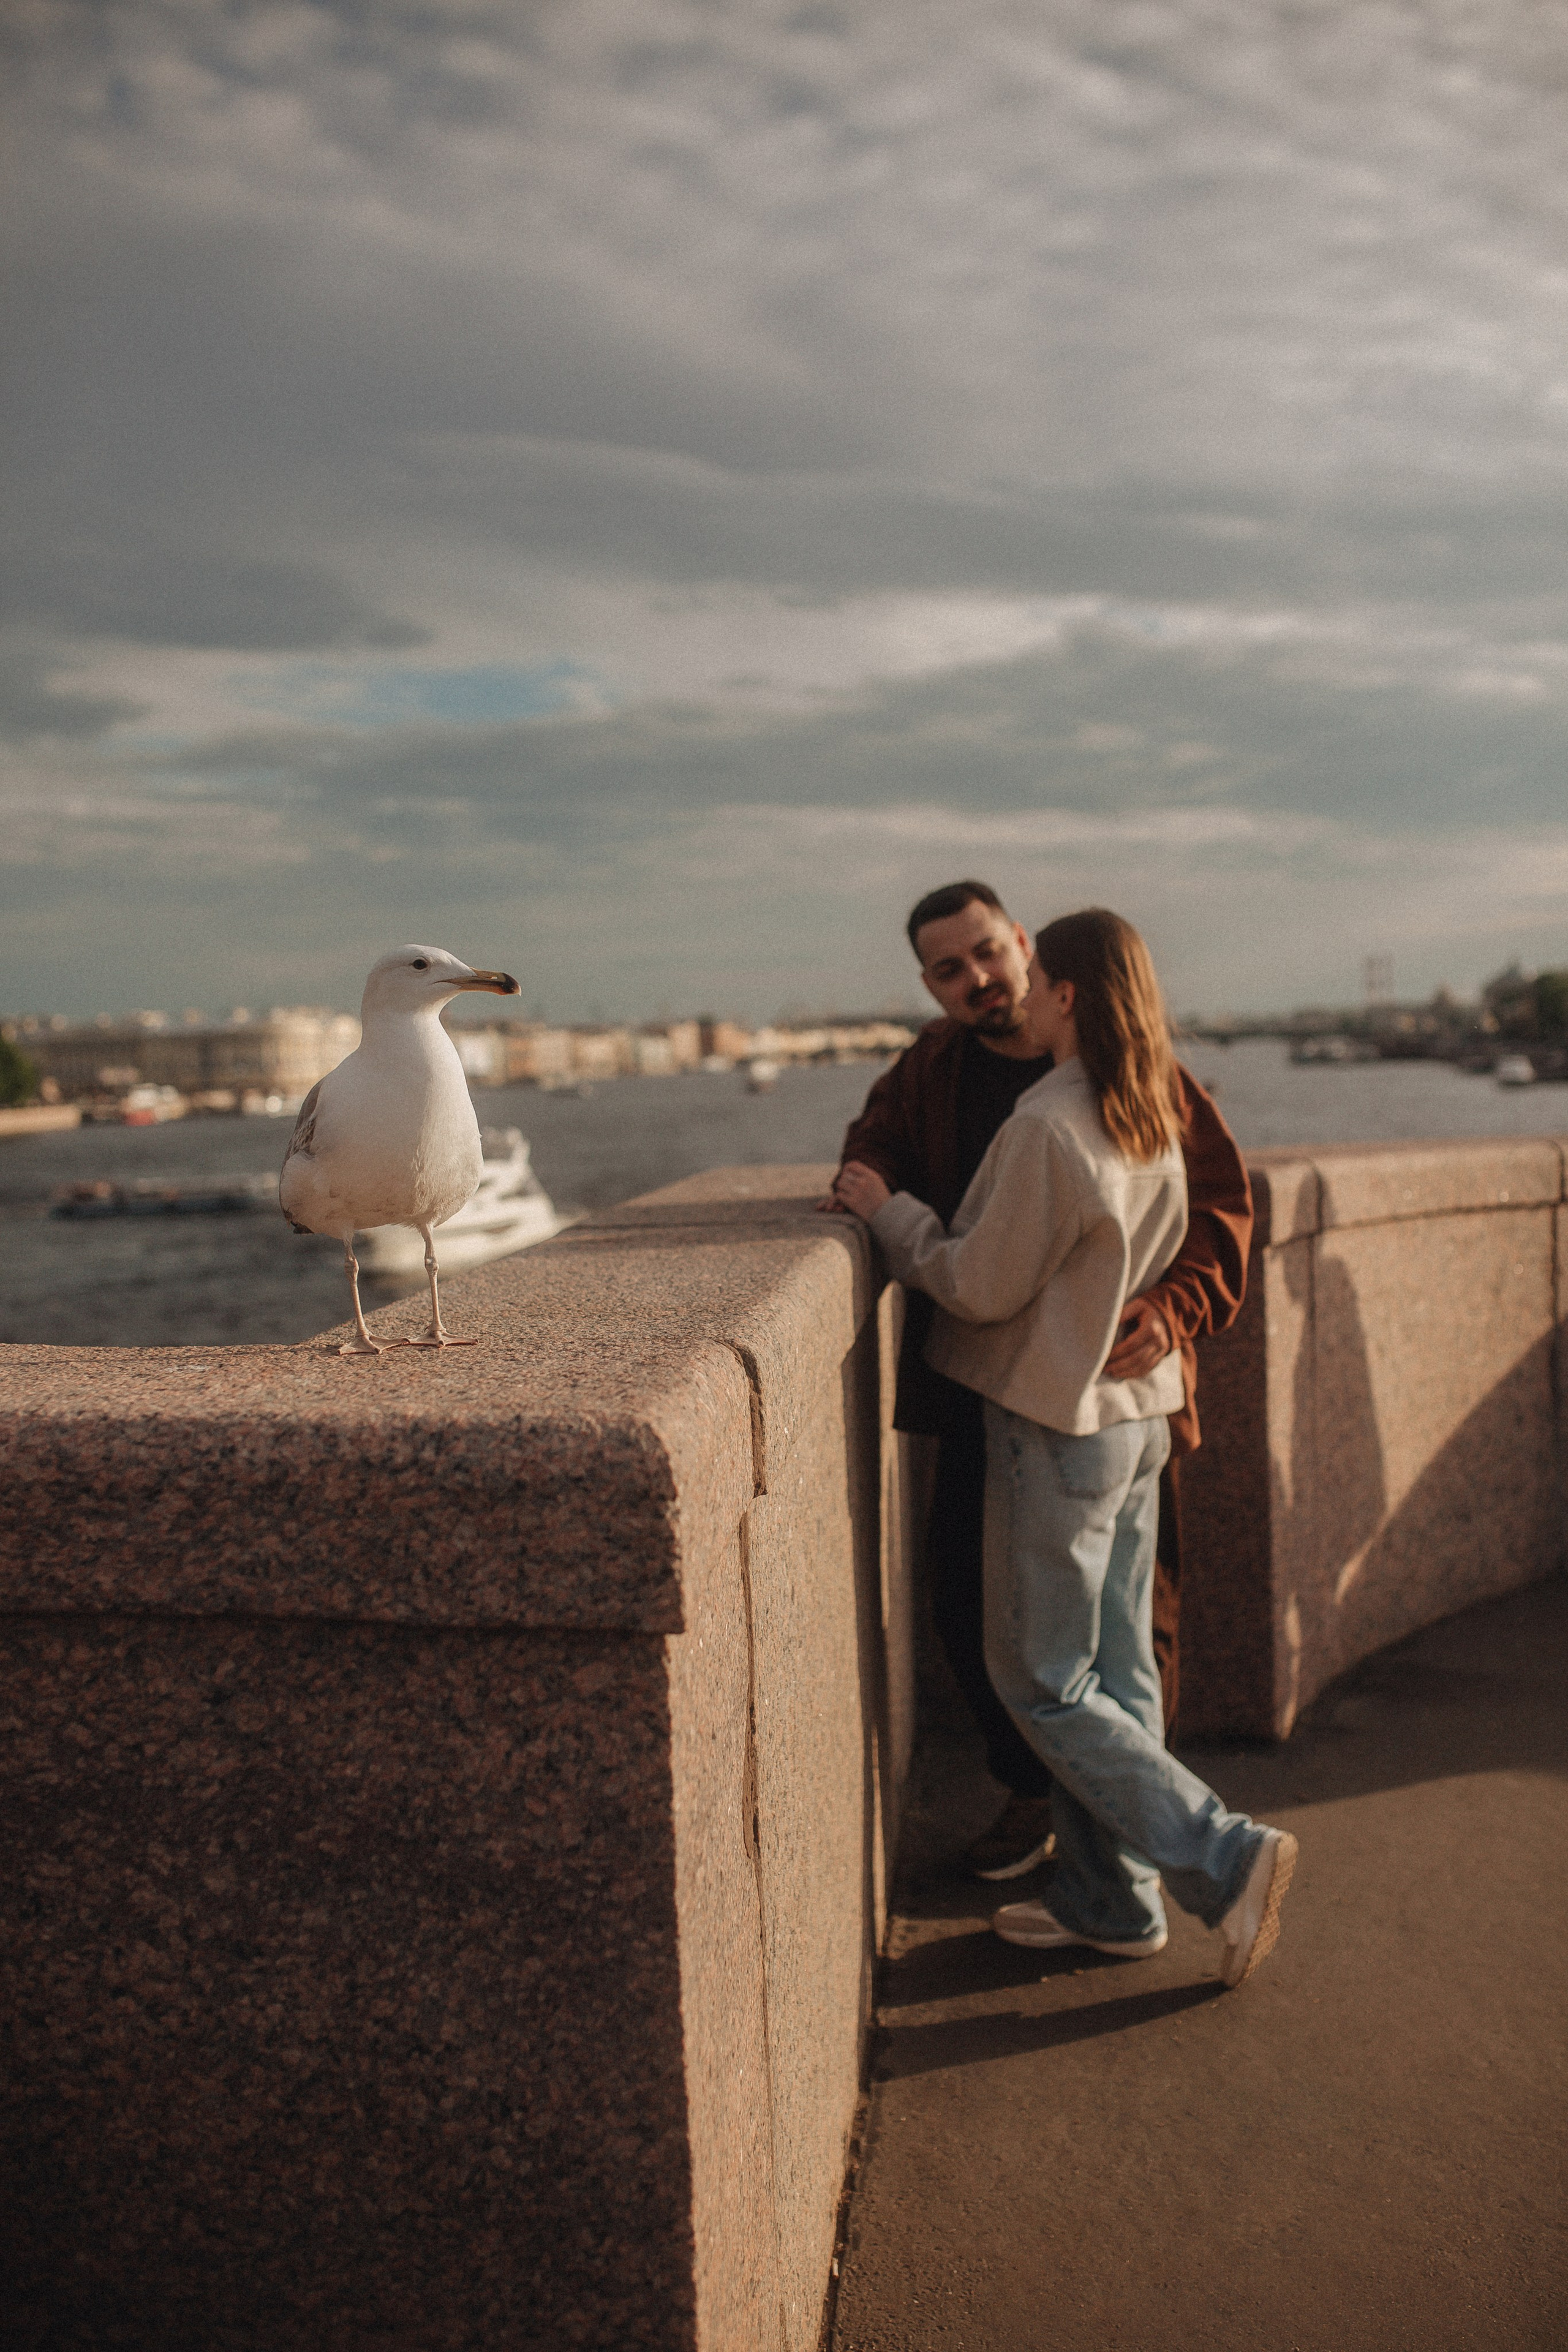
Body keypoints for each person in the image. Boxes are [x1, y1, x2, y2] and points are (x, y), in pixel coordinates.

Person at [835, 910, 1295, 1983]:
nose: (1018, 988)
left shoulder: (1050, 1123)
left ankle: (1224, 1855)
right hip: (1138, 1418)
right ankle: (1111, 1900)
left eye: (1031, 970)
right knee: (1121, 1677)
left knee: (1043, 1682)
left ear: (1068, 993)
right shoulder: (1147, 1102)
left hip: (1057, 1428)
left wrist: (891, 1216)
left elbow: (977, 1284)